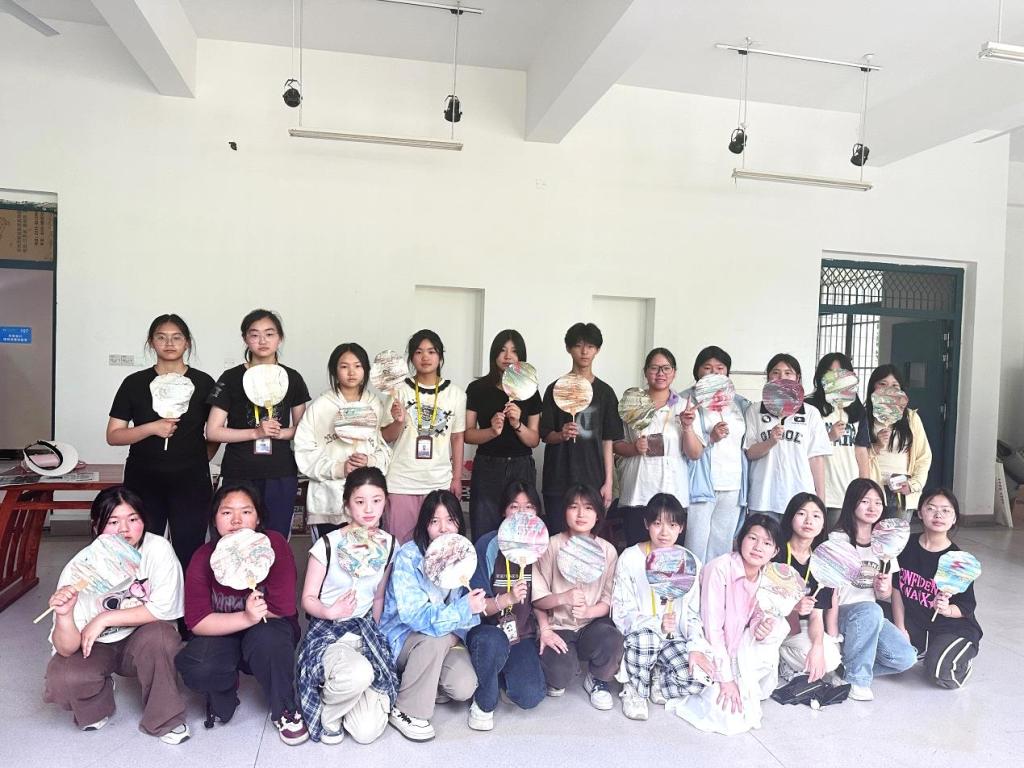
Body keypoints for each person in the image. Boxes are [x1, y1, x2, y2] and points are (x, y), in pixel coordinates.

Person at [43, 486, 189, 743]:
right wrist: (64, 615)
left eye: (133, 519)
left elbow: (164, 608)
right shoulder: (79, 567)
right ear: (96, 525)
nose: (124, 529)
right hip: (96, 645)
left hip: (143, 636)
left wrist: (104, 618)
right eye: (113, 522)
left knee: (163, 640)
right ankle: (96, 703)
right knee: (63, 677)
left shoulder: (157, 549)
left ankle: (165, 718)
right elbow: (67, 648)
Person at [174, 482, 308, 745]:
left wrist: (256, 616)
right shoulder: (204, 556)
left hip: (268, 627)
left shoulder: (274, 545)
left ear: (258, 518)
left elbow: (284, 608)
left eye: (246, 512)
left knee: (269, 641)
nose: (236, 520)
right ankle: (225, 691)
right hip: (223, 631)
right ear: (214, 519)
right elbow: (197, 621)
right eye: (226, 512)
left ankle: (284, 707)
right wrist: (245, 618)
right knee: (199, 666)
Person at [295, 467, 399, 744]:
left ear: (385, 501)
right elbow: (308, 599)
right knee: (360, 673)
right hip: (330, 633)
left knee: (366, 732)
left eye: (376, 500)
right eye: (360, 501)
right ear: (347, 504)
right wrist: (330, 611)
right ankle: (329, 713)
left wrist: (376, 633)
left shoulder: (389, 545)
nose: (369, 509)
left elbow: (378, 596)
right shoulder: (328, 544)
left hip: (364, 632)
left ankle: (346, 690)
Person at [106, 314, 216, 569]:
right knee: (143, 546)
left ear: (187, 343)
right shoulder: (134, 383)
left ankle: (186, 593)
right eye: (161, 337)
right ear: (151, 342)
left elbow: (214, 431)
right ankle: (144, 593)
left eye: (176, 337)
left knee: (190, 547)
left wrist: (200, 458)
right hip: (144, 478)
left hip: (191, 480)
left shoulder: (203, 383)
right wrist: (152, 428)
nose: (169, 343)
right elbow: (114, 435)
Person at [379, 491, 484, 741]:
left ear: (459, 523)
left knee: (463, 686)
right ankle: (407, 710)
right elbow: (414, 616)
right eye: (435, 521)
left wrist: (462, 617)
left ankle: (421, 680)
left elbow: (472, 615)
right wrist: (460, 613)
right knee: (434, 639)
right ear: (425, 524)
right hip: (404, 638)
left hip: (446, 639)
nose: (443, 528)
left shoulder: (463, 556)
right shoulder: (408, 556)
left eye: (450, 520)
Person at [674, 515, 789, 735]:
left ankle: (745, 681)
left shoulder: (768, 575)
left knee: (779, 625)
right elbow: (712, 628)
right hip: (706, 644)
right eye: (752, 538)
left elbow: (758, 613)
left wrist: (759, 626)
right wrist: (726, 679)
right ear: (740, 540)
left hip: (737, 645)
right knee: (728, 717)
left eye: (767, 543)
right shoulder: (719, 568)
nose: (758, 547)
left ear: (775, 551)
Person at [206, 309, 310, 539]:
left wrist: (280, 434)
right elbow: (213, 431)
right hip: (238, 472)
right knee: (234, 539)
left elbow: (304, 429)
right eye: (254, 334)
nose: (262, 341)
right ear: (245, 338)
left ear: (280, 338)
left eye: (269, 334)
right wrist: (255, 433)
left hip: (280, 473)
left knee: (275, 540)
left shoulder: (292, 378)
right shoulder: (231, 378)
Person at [611, 493, 713, 721]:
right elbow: (621, 613)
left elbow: (694, 613)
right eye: (657, 523)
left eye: (672, 525)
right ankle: (635, 689)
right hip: (640, 638)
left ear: (681, 527)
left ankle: (659, 679)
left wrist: (696, 647)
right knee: (648, 639)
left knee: (698, 678)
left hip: (674, 638)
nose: (664, 532)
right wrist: (656, 623)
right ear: (646, 524)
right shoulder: (630, 558)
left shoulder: (690, 562)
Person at [532, 484, 623, 710]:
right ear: (565, 512)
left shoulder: (607, 550)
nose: (581, 514)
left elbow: (609, 599)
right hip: (558, 625)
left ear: (598, 514)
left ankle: (598, 678)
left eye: (589, 508)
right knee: (559, 676)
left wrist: (589, 611)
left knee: (612, 640)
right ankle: (565, 666)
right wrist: (563, 598)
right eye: (574, 507)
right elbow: (538, 598)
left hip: (591, 625)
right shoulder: (550, 545)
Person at [465, 481, 547, 731]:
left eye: (529, 507)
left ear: (537, 512)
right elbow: (478, 606)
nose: (522, 514)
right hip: (488, 633)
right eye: (514, 507)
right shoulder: (487, 544)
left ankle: (498, 672)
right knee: (492, 643)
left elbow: (543, 599)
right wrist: (507, 599)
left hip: (521, 635)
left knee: (530, 695)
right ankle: (484, 700)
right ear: (503, 511)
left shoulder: (541, 545)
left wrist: (544, 628)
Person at [827, 478, 918, 701]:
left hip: (871, 616)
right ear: (852, 503)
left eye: (878, 502)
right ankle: (857, 682)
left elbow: (884, 596)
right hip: (842, 613)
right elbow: (830, 592)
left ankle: (845, 672)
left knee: (906, 658)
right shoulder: (837, 540)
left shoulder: (887, 543)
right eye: (865, 501)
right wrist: (832, 635)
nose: (872, 507)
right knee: (871, 610)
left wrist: (883, 588)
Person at [294, 343, 393, 541]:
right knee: (329, 554)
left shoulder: (375, 404)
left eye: (357, 366)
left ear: (366, 370)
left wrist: (370, 462)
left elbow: (384, 447)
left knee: (367, 555)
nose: (351, 372)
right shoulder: (321, 406)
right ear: (334, 370)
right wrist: (340, 468)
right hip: (329, 501)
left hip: (367, 503)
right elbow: (304, 451)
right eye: (344, 366)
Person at [892, 488, 982, 689]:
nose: (938, 515)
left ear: (954, 519)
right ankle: (924, 648)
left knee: (941, 672)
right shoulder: (905, 545)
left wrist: (947, 609)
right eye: (931, 508)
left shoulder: (958, 560)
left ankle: (957, 660)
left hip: (951, 626)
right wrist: (900, 628)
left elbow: (966, 607)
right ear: (920, 512)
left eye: (946, 510)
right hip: (916, 621)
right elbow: (897, 588)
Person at [383, 330, 467, 544]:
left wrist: (456, 478)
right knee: (400, 546)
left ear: (440, 356)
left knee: (439, 546)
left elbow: (457, 438)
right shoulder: (398, 391)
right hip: (401, 481)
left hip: (438, 482)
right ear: (411, 357)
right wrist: (398, 421)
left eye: (431, 351)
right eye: (419, 352)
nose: (425, 357)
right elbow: (386, 437)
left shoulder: (456, 394)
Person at [540, 323, 623, 534]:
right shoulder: (554, 389)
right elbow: (545, 435)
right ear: (568, 348)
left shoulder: (605, 393)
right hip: (558, 478)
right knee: (558, 538)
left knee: (589, 540)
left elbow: (608, 440)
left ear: (597, 350)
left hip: (592, 478)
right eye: (578, 346)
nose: (584, 352)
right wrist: (561, 434)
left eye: (590, 346)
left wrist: (608, 482)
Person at [613, 348, 697, 547]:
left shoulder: (685, 406)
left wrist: (687, 427)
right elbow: (615, 445)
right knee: (637, 553)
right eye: (654, 368)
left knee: (669, 556)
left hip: (673, 493)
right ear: (645, 371)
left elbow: (695, 453)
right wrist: (634, 448)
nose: (660, 373)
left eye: (666, 368)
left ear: (674, 372)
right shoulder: (631, 404)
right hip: (638, 492)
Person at [464, 330, 542, 541]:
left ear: (521, 356)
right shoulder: (477, 388)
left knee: (521, 532)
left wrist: (517, 424)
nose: (508, 356)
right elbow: (468, 435)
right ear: (494, 354)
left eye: (514, 351)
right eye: (502, 350)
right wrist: (491, 431)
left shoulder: (530, 390)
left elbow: (534, 440)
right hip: (487, 466)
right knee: (484, 528)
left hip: (521, 466)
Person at [680, 346, 750, 564]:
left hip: (733, 482)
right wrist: (711, 438)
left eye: (720, 368)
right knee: (696, 543)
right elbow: (686, 446)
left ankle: (717, 583)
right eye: (707, 368)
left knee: (722, 543)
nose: (714, 372)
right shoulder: (686, 400)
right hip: (702, 483)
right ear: (697, 371)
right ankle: (693, 584)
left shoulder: (740, 403)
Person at [744, 354, 831, 519]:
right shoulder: (754, 410)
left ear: (797, 378)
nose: (781, 377)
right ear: (768, 378)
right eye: (775, 372)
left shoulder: (811, 413)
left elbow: (816, 459)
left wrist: (820, 502)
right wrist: (771, 441)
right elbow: (750, 453)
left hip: (800, 500)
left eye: (788, 373)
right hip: (763, 499)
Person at [772, 493, 841, 682]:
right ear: (791, 517)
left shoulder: (824, 563)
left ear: (823, 524)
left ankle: (784, 657)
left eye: (816, 516)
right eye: (802, 514)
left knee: (830, 659)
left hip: (800, 627)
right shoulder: (775, 551)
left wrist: (817, 646)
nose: (809, 521)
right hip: (771, 621)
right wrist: (793, 606)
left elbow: (816, 616)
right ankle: (779, 657)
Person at [855, 365, 932, 521]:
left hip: (901, 490)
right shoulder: (862, 417)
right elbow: (855, 456)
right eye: (882, 384)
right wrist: (876, 446)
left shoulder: (911, 418)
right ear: (873, 387)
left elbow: (923, 457)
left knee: (896, 535)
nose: (888, 389)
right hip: (872, 489)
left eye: (895, 386)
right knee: (866, 533)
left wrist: (914, 484)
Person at [805, 353, 867, 529]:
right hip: (819, 490)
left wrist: (865, 488)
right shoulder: (809, 406)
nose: (835, 377)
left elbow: (861, 451)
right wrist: (829, 437)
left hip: (847, 490)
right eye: (829, 372)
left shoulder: (857, 410)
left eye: (840, 372)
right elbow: (801, 447)